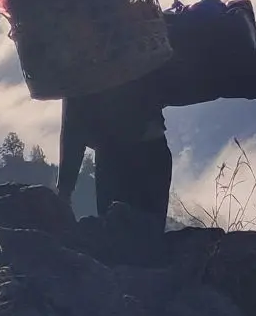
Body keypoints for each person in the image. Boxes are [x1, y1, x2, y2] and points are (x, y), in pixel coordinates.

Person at [57, 73, 172, 223]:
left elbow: (72, 126)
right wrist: (64, 190)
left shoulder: (80, 68)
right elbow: (72, 126)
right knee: (139, 229)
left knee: (126, 231)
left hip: (133, 151)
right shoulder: (81, 69)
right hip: (129, 151)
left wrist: (64, 191)